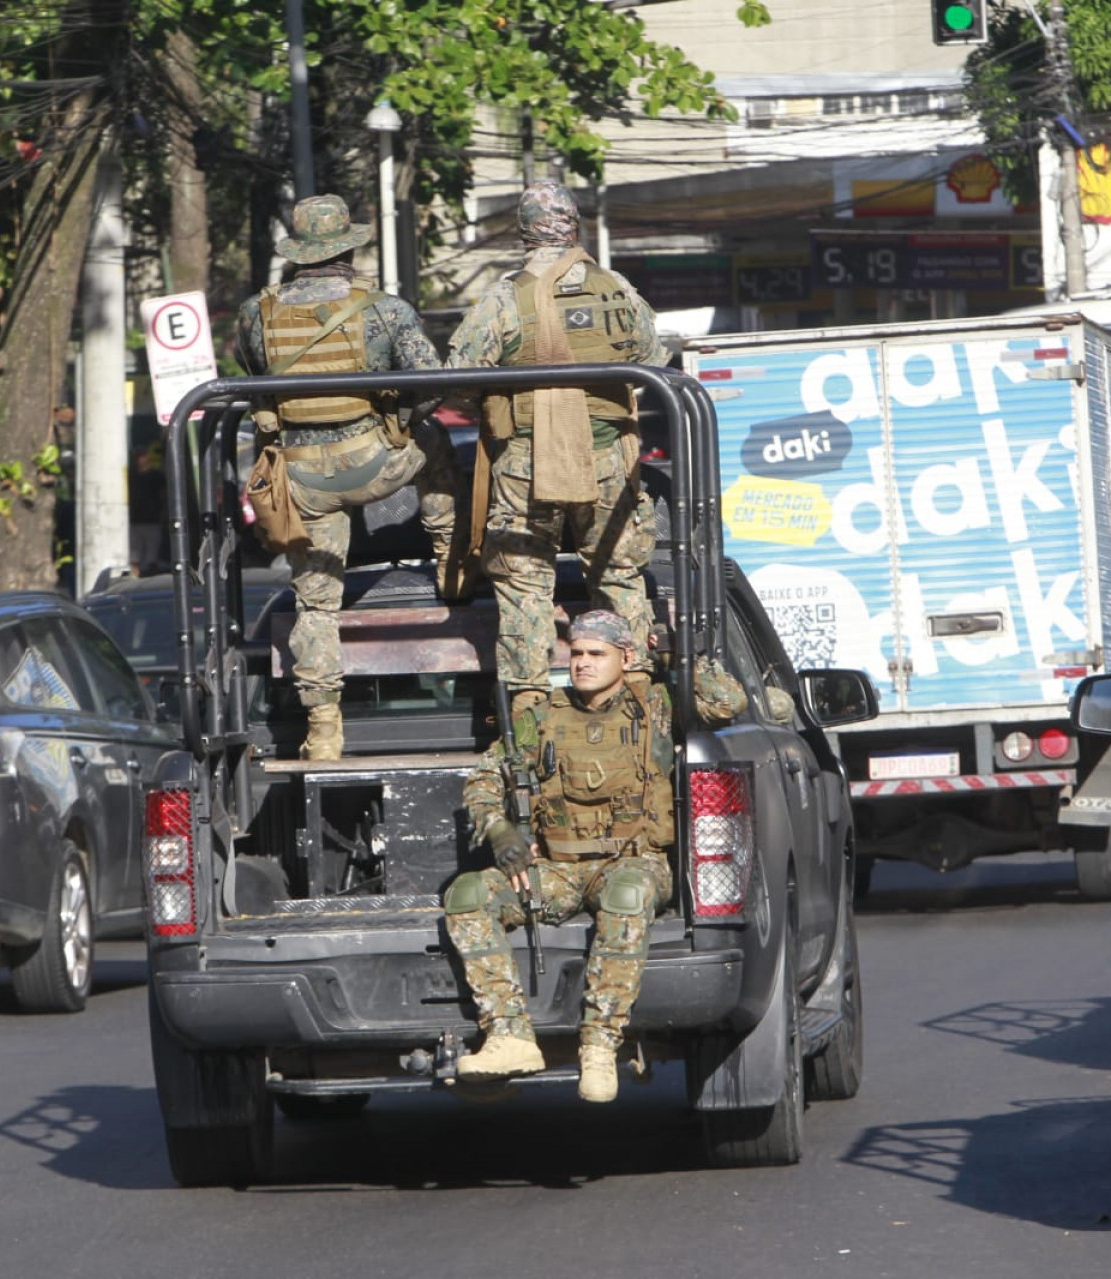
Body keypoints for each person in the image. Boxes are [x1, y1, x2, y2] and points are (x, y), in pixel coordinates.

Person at [444, 610, 746, 1103]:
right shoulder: (541, 716)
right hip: (558, 869)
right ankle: (508, 1035)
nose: (582, 664)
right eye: (576, 653)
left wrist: (678, 654)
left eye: (596, 654)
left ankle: (601, 1046)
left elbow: (728, 703)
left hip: (633, 861)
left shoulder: (657, 706)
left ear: (626, 658)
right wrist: (499, 830)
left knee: (627, 895)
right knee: (469, 894)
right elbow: (484, 779)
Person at [236, 193, 460, 760]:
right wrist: (401, 424)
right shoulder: (384, 309)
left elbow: (253, 378)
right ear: (348, 249)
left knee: (316, 603)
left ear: (299, 253)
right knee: (435, 444)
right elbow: (432, 384)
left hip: (304, 480)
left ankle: (324, 729)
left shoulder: (254, 313)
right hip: (374, 463)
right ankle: (450, 555)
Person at [447, 180, 669, 720]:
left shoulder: (505, 296)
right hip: (608, 460)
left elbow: (455, 379)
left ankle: (528, 721)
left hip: (526, 461)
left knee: (524, 587)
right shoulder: (616, 288)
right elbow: (652, 361)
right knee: (619, 576)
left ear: (522, 233)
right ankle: (637, 707)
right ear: (576, 226)